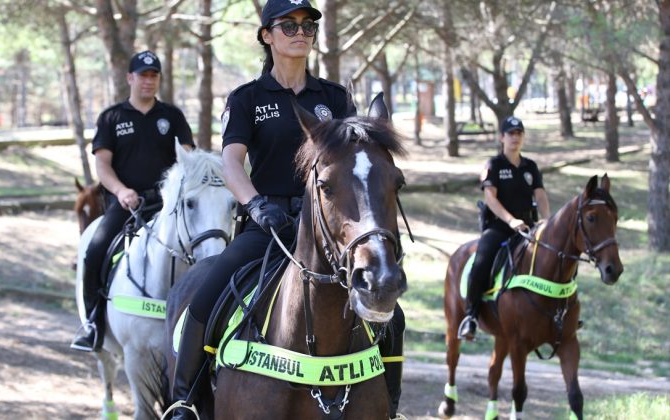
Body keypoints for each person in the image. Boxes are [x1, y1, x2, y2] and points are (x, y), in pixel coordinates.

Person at [169, 1, 405, 419]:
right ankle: (183, 400)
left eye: (308, 25)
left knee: (394, 315)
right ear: (267, 35)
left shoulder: (333, 97)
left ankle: (391, 406)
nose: (301, 32)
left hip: (328, 227)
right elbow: (231, 163)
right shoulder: (247, 98)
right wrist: (256, 205)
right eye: (289, 25)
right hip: (268, 224)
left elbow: (355, 163)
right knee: (206, 295)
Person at [70, 50, 195, 352]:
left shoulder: (172, 117)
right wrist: (121, 191)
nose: (148, 81)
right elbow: (102, 166)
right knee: (95, 250)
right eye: (142, 75)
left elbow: (187, 158)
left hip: (167, 206)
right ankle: (93, 325)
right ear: (130, 78)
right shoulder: (112, 117)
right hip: (125, 204)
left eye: (154, 76)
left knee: (205, 248)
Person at [458, 116, 551, 340]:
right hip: (500, 228)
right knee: (481, 261)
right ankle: (471, 316)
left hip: (529, 229)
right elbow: (490, 198)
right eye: (511, 133)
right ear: (502, 137)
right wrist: (510, 220)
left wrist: (548, 220)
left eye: (519, 133)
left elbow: (540, 194)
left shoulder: (531, 166)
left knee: (556, 257)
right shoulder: (494, 165)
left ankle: (560, 313)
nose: (515, 137)